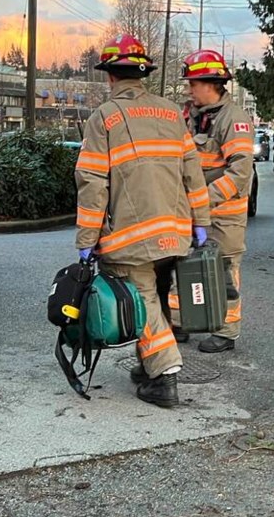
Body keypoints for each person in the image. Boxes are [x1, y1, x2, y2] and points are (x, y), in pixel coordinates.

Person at [74, 34, 212, 407]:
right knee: (159, 293)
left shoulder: (104, 118)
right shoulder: (171, 113)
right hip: (176, 232)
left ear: (110, 77)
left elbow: (92, 184)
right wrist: (201, 222)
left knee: (145, 300)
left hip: (132, 238)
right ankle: (147, 364)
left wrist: (87, 240)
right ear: (143, 74)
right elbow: (193, 174)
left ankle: (164, 376)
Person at [179, 49, 255, 353]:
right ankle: (180, 321)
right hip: (193, 212)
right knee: (181, 265)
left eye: (193, 84)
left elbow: (240, 173)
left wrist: (202, 201)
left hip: (224, 214)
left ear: (209, 83)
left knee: (224, 272)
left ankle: (226, 331)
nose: (189, 89)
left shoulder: (233, 119)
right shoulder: (191, 116)